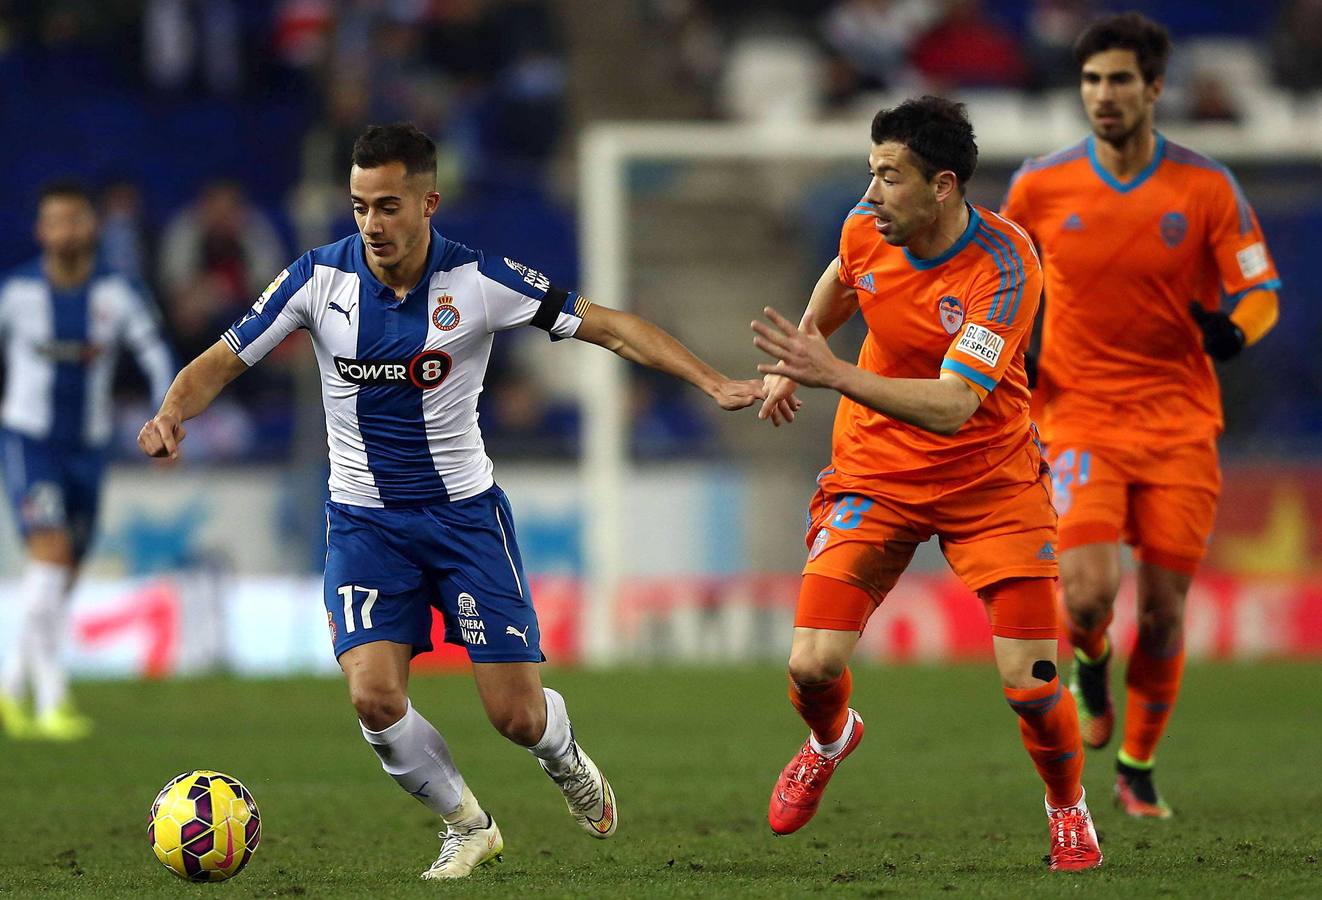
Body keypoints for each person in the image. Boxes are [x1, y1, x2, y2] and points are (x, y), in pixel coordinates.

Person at [138, 123, 765, 879]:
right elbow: (221, 360)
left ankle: (562, 755)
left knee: (515, 716)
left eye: (389, 206)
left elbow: (611, 328)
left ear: (429, 203)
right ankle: (466, 824)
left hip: (465, 519)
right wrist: (174, 412)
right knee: (373, 696)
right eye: (360, 206)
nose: (372, 223)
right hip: (365, 522)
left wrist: (712, 381)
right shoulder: (315, 279)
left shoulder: (481, 282)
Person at [751, 96, 1102, 872]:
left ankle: (1068, 808)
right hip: (876, 472)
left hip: (989, 482)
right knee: (811, 666)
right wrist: (802, 348)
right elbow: (842, 279)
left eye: (890, 176)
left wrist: (832, 372)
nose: (871, 194)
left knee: (1034, 685)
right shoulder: (864, 226)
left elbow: (953, 406)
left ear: (943, 185)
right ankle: (830, 739)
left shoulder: (1006, 266)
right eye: (871, 172)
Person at [1001, 13, 1280, 819]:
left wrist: (1235, 329)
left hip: (1180, 423)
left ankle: (1137, 765)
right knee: (1088, 594)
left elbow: (1259, 290)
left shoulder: (1206, 187)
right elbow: (1004, 274)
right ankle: (1090, 663)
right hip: (1078, 413)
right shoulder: (1041, 185)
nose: (1104, 95)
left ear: (1155, 88)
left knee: (1161, 614)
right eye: (1091, 81)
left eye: (1120, 79)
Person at [0, 181, 175, 740]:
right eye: (57, 221)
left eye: (77, 219)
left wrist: (166, 415)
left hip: (89, 450)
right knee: (49, 558)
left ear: (92, 227)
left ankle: (9, 688)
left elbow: (154, 354)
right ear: (40, 231)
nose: (68, 230)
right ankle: (52, 701)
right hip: (31, 442)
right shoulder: (17, 293)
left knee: (60, 579)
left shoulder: (118, 292)